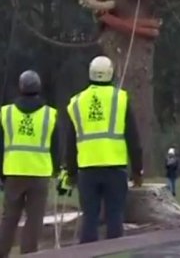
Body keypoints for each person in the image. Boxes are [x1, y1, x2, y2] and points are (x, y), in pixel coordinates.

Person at [64, 55, 143, 244]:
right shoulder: (120, 98)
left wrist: (71, 172)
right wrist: (138, 169)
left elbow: (70, 141)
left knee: (89, 218)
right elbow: (133, 137)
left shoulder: (76, 101)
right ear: (111, 74)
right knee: (115, 217)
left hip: (87, 169)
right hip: (115, 169)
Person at [0, 70, 58, 257]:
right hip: (39, 173)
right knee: (34, 220)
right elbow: (56, 147)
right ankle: (29, 254)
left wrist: (0, 172)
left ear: (20, 87)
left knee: (9, 218)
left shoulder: (7, 113)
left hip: (13, 171)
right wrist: (56, 169)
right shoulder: (49, 114)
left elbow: (0, 146)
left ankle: (1, 254)